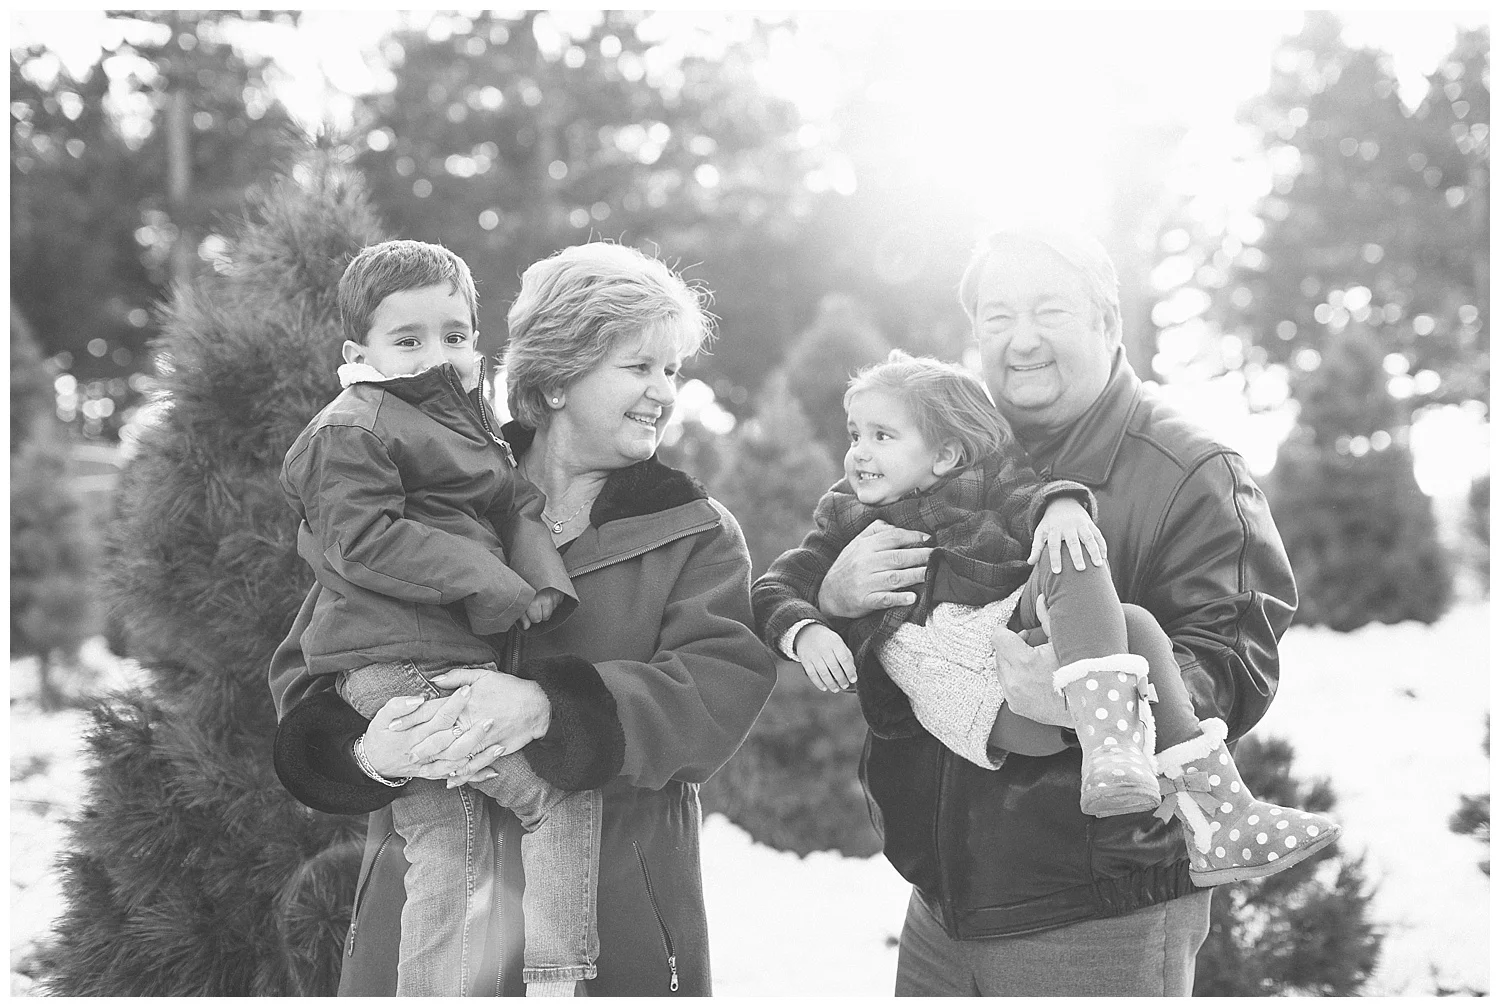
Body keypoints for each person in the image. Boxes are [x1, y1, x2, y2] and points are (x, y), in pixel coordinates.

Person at [268, 241, 777, 996]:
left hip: (609, 935)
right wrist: (368, 750)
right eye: (638, 367)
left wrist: (552, 708)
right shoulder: (422, 486)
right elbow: (314, 661)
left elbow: (716, 689)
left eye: (671, 370)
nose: (663, 393)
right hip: (421, 942)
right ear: (562, 376)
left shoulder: (693, 531)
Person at [810, 225, 1300, 996]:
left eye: (1051, 311)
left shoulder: (1189, 471)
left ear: (1110, 323)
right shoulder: (940, 456)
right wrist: (835, 599)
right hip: (942, 905)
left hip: (1096, 914)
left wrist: (1090, 706)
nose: (1023, 339)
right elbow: (911, 641)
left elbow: (1234, 661)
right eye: (998, 317)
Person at [754, 350, 1335, 869]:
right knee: (1109, 612)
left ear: (946, 454)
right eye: (855, 435)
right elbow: (775, 588)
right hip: (973, 700)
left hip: (1016, 638)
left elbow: (1028, 491)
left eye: (883, 436)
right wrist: (810, 625)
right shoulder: (843, 522)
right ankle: (1115, 740)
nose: (858, 453)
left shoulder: (986, 485)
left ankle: (1215, 812)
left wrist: (1061, 507)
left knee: (1123, 612)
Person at [278, 239, 600, 996]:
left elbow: (515, 503)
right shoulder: (352, 426)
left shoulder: (464, 424)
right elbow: (364, 541)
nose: (437, 355)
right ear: (359, 351)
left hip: (429, 655)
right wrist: (493, 584)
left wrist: (541, 585)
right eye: (409, 339)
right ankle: (559, 979)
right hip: (397, 659)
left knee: (450, 848)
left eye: (454, 337)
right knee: (555, 794)